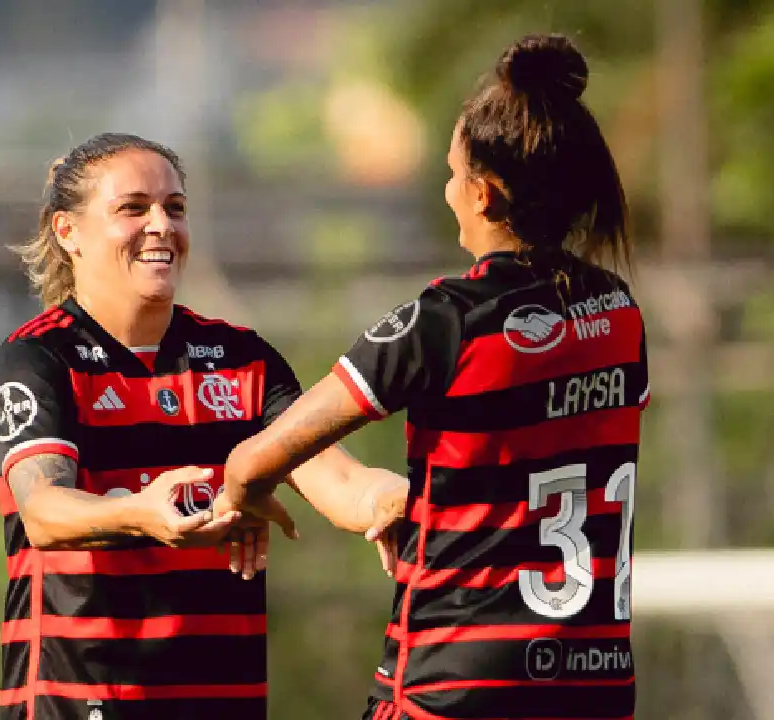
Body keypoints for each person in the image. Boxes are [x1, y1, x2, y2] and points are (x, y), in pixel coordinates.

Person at [218, 33, 650, 720]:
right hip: (593, 687)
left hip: (456, 682)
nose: (447, 191)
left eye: (452, 175)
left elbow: (260, 458)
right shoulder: (620, 314)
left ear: (482, 196)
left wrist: (246, 490)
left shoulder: (449, 320)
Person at [0, 132, 408, 720]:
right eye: (133, 208)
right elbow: (45, 513)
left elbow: (340, 481)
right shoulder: (39, 359)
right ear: (68, 232)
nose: (161, 225)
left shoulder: (241, 359)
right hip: (81, 703)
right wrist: (142, 514)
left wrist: (393, 499)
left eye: (174, 208)